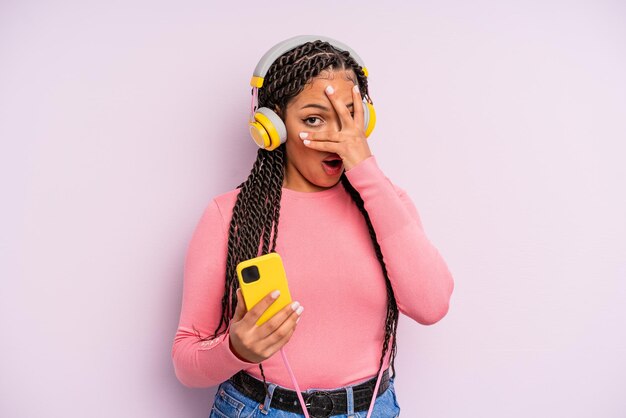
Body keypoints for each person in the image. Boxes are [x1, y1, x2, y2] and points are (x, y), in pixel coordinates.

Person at [171, 35, 455, 418]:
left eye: (349, 116)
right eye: (313, 119)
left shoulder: (388, 202)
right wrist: (235, 350)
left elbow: (431, 305)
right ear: (272, 126)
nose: (335, 138)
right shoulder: (229, 215)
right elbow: (186, 360)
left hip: (372, 409)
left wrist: (365, 168)